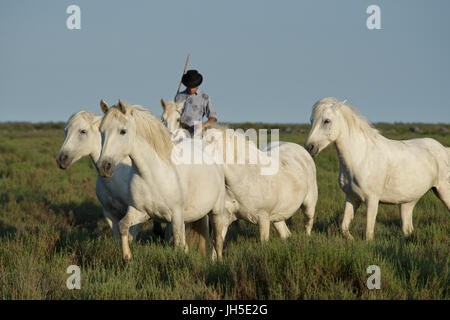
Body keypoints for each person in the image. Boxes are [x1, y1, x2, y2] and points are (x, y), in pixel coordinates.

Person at [175, 69, 217, 135]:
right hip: (179, 131)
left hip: (195, 132)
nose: (191, 89)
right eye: (189, 86)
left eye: (193, 86)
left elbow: (213, 118)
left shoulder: (204, 97)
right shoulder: (179, 96)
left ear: (197, 85)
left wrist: (202, 125)